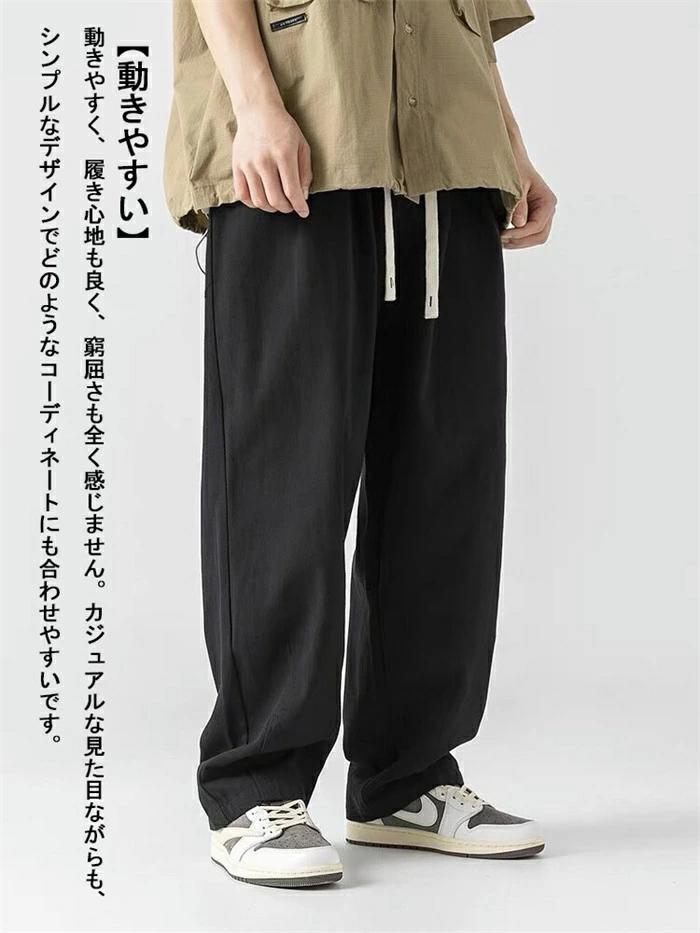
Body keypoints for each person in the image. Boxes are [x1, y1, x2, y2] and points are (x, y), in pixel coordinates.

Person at [164, 0, 556, 888]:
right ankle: (255, 786)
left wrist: (508, 144)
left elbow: (472, 15)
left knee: (445, 482)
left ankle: (405, 777)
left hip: (448, 157)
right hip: (300, 140)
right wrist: (255, 104)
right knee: (283, 479)